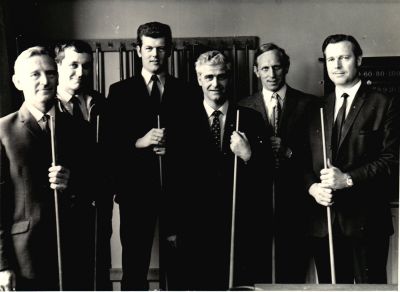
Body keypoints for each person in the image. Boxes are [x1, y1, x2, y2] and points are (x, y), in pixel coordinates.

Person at [168, 50, 272, 290]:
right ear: (199, 79)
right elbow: (172, 179)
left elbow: (267, 176)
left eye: (221, 77)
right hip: (194, 228)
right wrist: (173, 228)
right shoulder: (181, 120)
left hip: (238, 226)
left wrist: (248, 155)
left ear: (229, 78)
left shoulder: (251, 118)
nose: (215, 83)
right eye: (209, 77)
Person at [304, 34, 399, 283]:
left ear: (358, 60)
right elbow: (302, 163)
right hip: (324, 225)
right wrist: (313, 188)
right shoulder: (316, 108)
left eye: (344, 58)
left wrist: (347, 179)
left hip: (367, 224)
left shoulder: (384, 104)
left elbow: (391, 160)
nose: (336, 65)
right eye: (331, 59)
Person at [0, 46, 96, 290]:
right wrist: (2, 264)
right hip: (25, 258)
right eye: (35, 74)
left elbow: (98, 187)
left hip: (74, 250)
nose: (45, 81)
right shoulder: (3, 131)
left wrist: (72, 181)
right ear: (17, 81)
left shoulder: (79, 129)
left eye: (51, 73)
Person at [103, 21, 187, 290]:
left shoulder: (188, 92)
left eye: (161, 49)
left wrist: (172, 148)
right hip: (135, 193)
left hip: (176, 193)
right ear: (138, 50)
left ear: (170, 51)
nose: (155, 54)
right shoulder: (119, 92)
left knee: (178, 267)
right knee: (135, 267)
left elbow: (196, 144)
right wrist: (139, 142)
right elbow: (109, 145)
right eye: (149, 48)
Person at [239, 43, 315, 283]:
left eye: (277, 67)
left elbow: (318, 155)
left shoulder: (309, 105)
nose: (271, 74)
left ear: (286, 68)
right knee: (257, 272)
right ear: (256, 71)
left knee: (292, 271)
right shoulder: (242, 107)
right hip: (257, 205)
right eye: (265, 68)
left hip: (296, 202)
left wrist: (289, 151)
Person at [54, 40, 113, 291]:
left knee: (99, 274)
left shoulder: (100, 102)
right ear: (58, 67)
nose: (81, 72)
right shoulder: (47, 106)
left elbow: (111, 153)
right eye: (73, 65)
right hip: (63, 207)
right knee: (70, 275)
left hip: (98, 205)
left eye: (86, 66)